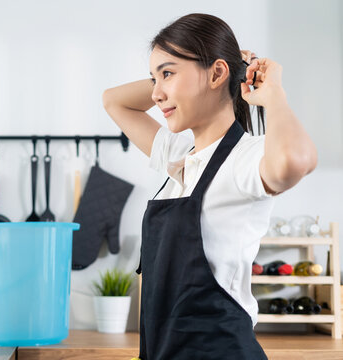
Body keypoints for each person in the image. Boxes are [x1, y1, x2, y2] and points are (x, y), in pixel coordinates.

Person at [102, 13, 317, 360]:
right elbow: (113, 100)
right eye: (153, 78)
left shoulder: (244, 158)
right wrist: (221, 67)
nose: (156, 94)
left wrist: (273, 93)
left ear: (216, 74)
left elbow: (295, 162)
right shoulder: (179, 155)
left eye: (168, 73)